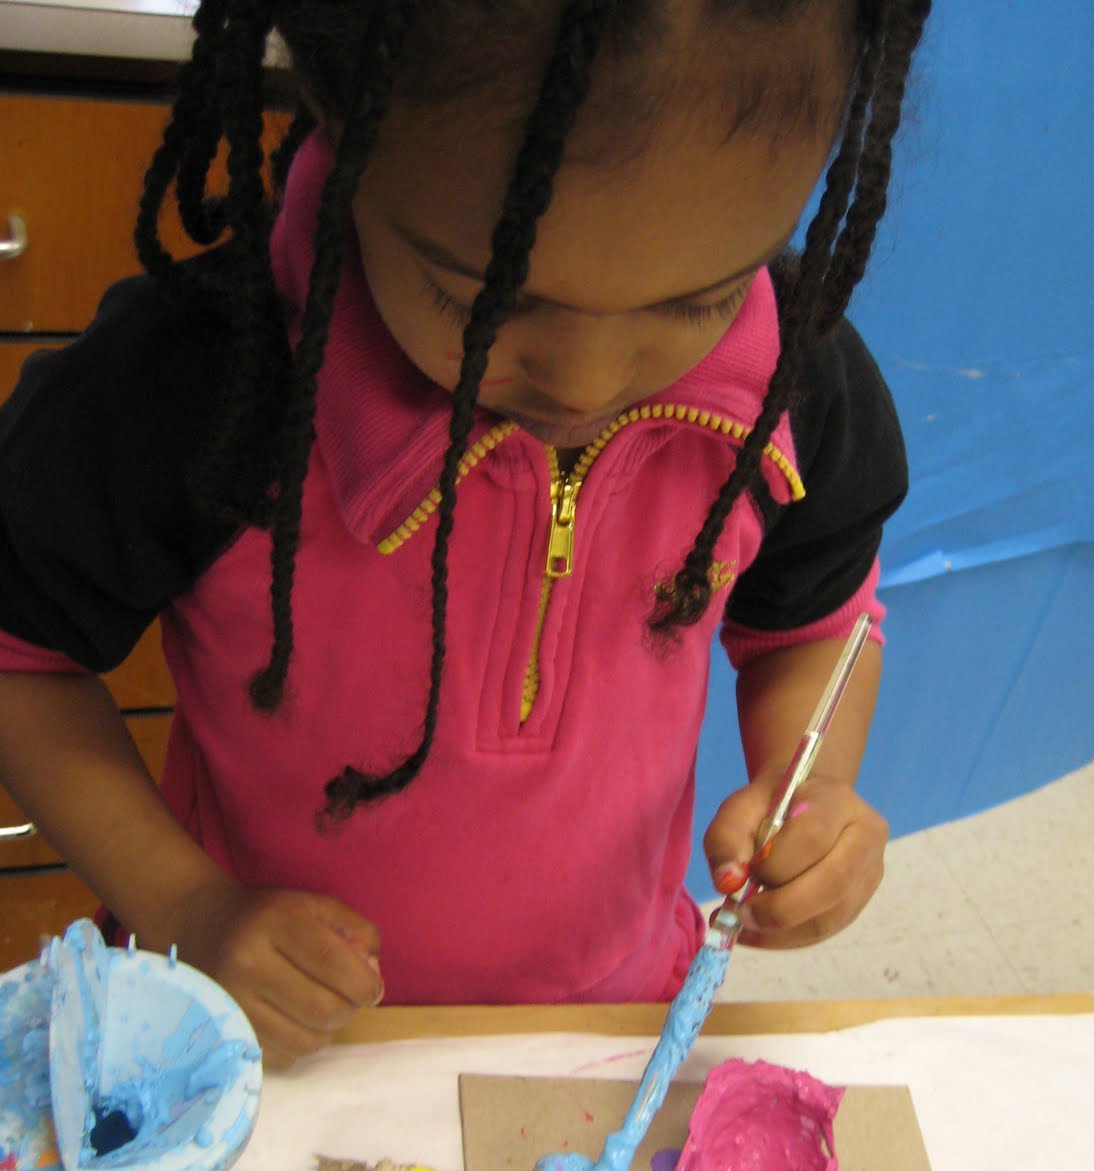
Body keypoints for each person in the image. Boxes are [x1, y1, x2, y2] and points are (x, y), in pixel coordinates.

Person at [0, 0, 929, 1064]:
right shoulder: (206, 379)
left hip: (605, 1024)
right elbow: (21, 652)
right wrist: (188, 905)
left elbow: (820, 619)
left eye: (697, 302)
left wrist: (811, 786)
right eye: (483, 301)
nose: (583, 386)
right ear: (340, 117)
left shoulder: (791, 389)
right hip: (247, 1031)